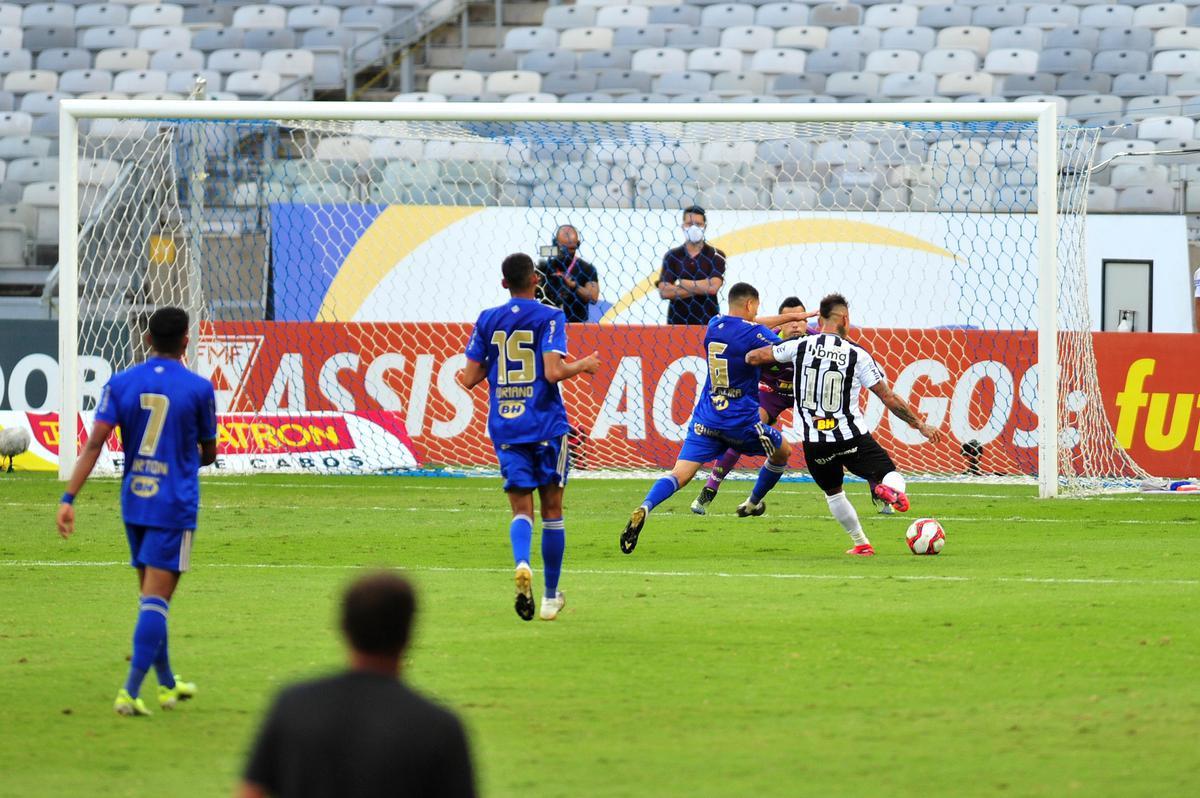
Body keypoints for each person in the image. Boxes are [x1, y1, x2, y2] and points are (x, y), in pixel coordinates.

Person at [56, 306, 218, 716]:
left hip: (134, 501)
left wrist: (68, 499)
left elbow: (94, 444)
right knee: (157, 602)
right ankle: (130, 692)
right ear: (186, 341)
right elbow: (209, 453)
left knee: (150, 598)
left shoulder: (122, 383)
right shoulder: (199, 389)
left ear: (147, 339)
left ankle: (166, 684)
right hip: (174, 504)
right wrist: (184, 459)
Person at [239, 572, 476, 798]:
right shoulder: (439, 727)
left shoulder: (293, 705)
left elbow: (251, 791)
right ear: (408, 634)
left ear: (344, 628)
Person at [619, 283, 816, 555]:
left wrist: (791, 318)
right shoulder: (756, 334)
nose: (757, 313)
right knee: (783, 452)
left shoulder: (714, 325)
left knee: (680, 474)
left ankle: (646, 506)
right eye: (756, 307)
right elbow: (784, 351)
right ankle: (753, 503)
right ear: (750, 305)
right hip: (741, 424)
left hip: (706, 419)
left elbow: (753, 323)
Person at [458, 253, 601, 620]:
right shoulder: (550, 316)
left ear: (504, 283)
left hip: (506, 426)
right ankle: (551, 598)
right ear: (535, 280)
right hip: (546, 426)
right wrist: (582, 365)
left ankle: (523, 563)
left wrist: (495, 359)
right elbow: (553, 373)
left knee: (523, 511)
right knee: (553, 512)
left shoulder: (488, 319)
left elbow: (469, 378)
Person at [747, 293, 944, 556]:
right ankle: (889, 489)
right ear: (844, 319)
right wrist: (919, 424)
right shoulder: (857, 354)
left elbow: (754, 357)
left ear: (820, 318)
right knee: (888, 471)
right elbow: (888, 396)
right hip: (850, 436)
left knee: (834, 493)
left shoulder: (799, 346)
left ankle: (861, 543)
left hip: (815, 442)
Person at [691, 296, 808, 515]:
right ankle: (710, 488)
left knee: (836, 434)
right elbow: (752, 327)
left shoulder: (813, 341)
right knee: (746, 429)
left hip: (804, 393)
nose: (796, 324)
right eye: (791, 320)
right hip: (771, 393)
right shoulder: (764, 339)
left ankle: (753, 501)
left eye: (801, 320)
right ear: (781, 322)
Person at [658, 205, 726, 325]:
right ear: (683, 226)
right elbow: (664, 292)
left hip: (709, 324)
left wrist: (683, 283)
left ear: (705, 227)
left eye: (698, 224)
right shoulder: (672, 256)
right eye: (689, 224)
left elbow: (713, 288)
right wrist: (702, 286)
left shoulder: (716, 255)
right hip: (677, 323)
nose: (694, 228)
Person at [540, 224, 600, 323]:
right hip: (549, 324)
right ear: (556, 244)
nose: (567, 252)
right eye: (563, 248)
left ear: (578, 244)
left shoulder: (586, 268)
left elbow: (593, 297)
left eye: (572, 248)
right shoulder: (545, 266)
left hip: (577, 326)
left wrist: (575, 286)